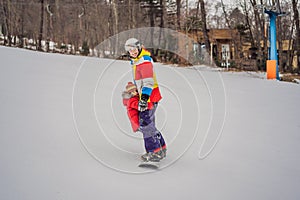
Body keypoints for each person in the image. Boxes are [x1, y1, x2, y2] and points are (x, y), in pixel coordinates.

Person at [124, 38, 167, 163]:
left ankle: (154, 152)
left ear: (139, 48)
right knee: (149, 124)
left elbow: (148, 82)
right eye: (129, 50)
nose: (132, 52)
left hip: (149, 98)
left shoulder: (144, 62)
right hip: (149, 96)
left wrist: (143, 99)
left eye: (134, 49)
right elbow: (141, 81)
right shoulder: (137, 61)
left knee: (145, 125)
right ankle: (161, 148)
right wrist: (136, 90)